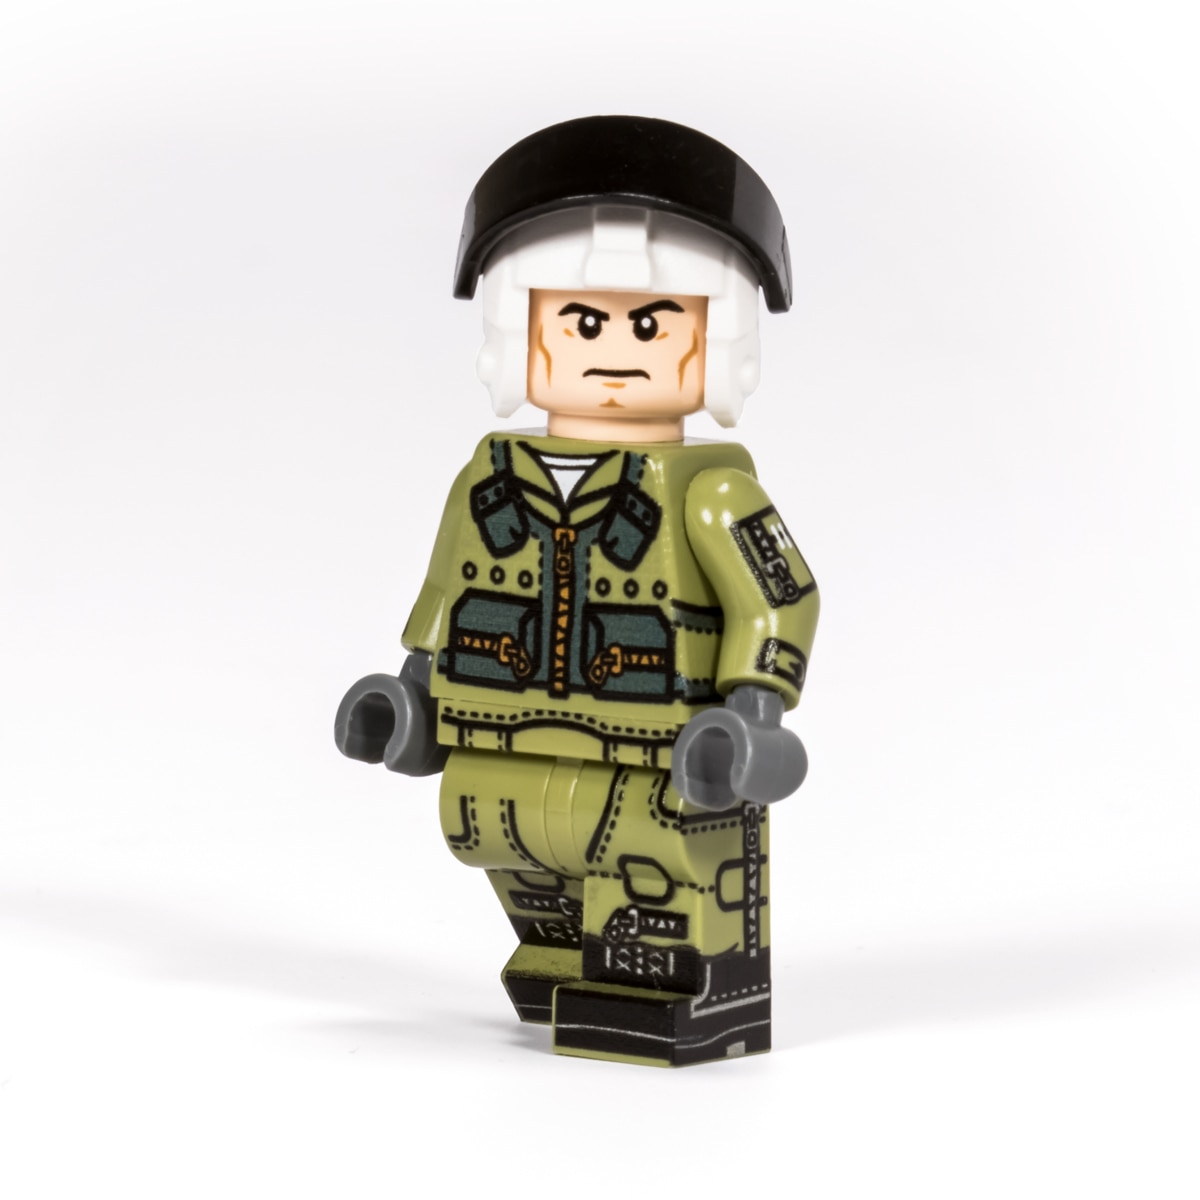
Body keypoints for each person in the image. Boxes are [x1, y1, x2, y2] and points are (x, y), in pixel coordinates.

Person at [336, 116, 819, 1066]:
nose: (616, 348)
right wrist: (414, 689)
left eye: (653, 323)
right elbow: (447, 591)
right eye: (581, 321)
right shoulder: (488, 480)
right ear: (522, 331)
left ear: (714, 341)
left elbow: (779, 598)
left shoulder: (711, 494)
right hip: (497, 733)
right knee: (504, 843)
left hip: (655, 745)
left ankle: (656, 989)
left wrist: (753, 711)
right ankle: (555, 957)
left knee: (650, 866)